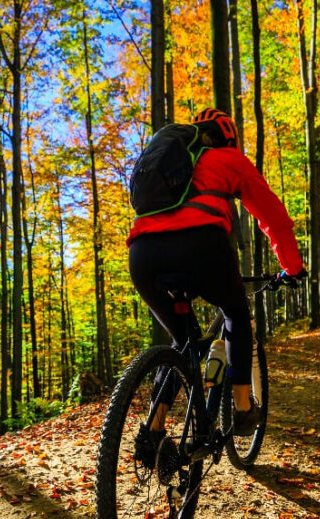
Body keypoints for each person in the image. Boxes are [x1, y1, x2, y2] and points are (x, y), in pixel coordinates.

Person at [127, 108, 306, 454]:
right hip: (202, 247)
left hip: (142, 254)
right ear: (230, 138)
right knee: (235, 314)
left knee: (182, 338)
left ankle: (153, 428)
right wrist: (292, 267)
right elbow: (274, 219)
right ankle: (241, 408)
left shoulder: (171, 166)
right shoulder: (227, 159)